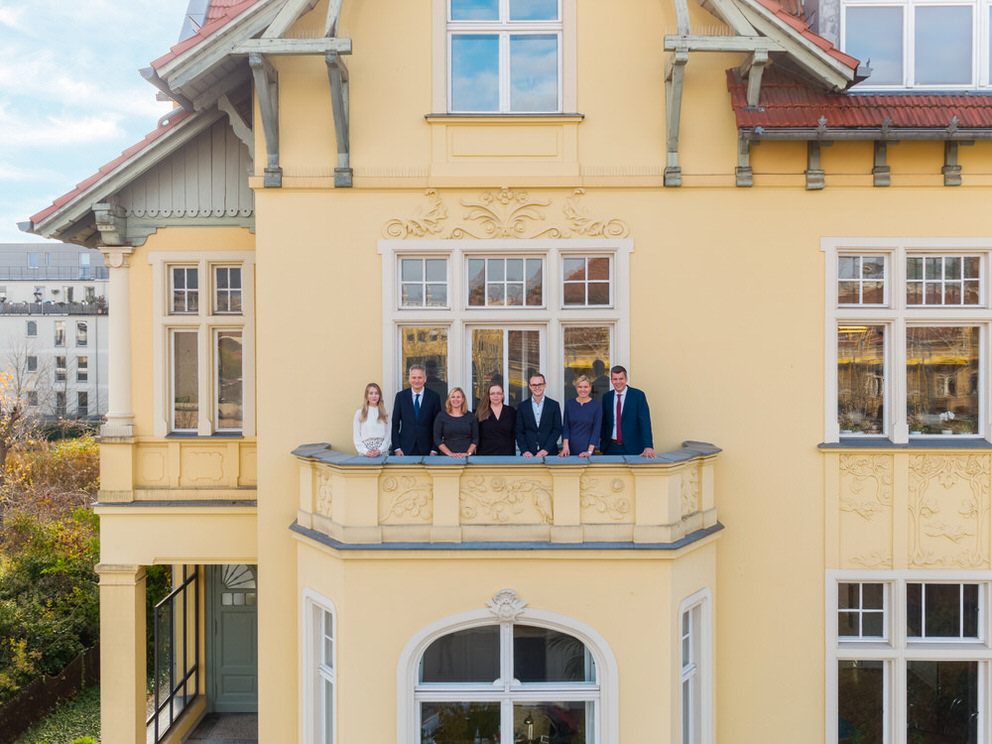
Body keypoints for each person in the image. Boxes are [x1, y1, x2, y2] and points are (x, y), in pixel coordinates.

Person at [600, 365, 655, 458]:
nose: (618, 382)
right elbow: (604, 423)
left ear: (626, 379)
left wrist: (648, 445)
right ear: (611, 381)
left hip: (633, 448)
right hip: (610, 448)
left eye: (621, 379)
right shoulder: (607, 397)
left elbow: (645, 422)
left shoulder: (638, 396)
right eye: (615, 379)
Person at [391, 364, 442, 456]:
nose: (416, 381)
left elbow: (437, 426)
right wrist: (397, 448)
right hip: (404, 448)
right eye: (414, 377)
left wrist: (434, 449)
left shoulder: (434, 397)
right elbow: (395, 424)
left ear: (425, 379)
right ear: (409, 379)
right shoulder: (400, 397)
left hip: (428, 449)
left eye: (420, 377)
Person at [515, 373, 562, 457]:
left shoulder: (554, 405)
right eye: (534, 385)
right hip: (528, 455)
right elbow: (519, 431)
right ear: (529, 386)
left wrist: (546, 449)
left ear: (544, 385)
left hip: (550, 453)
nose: (537, 387)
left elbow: (557, 430)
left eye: (540, 384)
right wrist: (524, 450)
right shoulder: (522, 406)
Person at [561, 375, 602, 457]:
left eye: (586, 387)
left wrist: (589, 451)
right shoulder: (569, 404)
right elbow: (566, 427)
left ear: (590, 388)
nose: (583, 390)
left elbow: (596, 430)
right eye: (580, 387)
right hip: (569, 450)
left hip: (587, 450)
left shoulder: (596, 406)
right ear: (576, 388)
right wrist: (565, 446)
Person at [433, 387, 478, 457]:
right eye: (453, 397)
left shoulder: (471, 416)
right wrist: (450, 454)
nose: (455, 399)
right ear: (449, 399)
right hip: (447, 458)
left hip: (468, 458)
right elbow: (437, 439)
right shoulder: (441, 416)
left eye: (458, 397)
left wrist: (468, 453)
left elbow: (475, 439)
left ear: (463, 399)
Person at [476, 382, 517, 455]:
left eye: (498, 393)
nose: (496, 396)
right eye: (492, 393)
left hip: (507, 457)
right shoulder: (481, 412)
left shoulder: (511, 412)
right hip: (485, 457)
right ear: (488, 396)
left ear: (503, 395)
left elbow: (516, 433)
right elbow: (476, 436)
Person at [353, 382, 391, 457]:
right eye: (371, 393)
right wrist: (366, 451)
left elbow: (388, 435)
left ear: (379, 395)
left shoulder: (385, 412)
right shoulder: (360, 413)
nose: (374, 396)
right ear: (366, 396)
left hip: (382, 452)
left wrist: (380, 450)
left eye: (376, 393)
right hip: (365, 453)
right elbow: (356, 436)